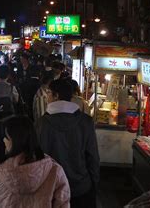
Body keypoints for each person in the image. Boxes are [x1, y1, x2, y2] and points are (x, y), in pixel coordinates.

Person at [36, 79, 100, 208]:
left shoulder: (41, 123)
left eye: (48, 93)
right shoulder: (86, 122)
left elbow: (38, 157)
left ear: (56, 95)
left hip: (52, 188)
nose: (46, 97)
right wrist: (94, 184)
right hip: (81, 187)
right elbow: (93, 156)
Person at [0, 116, 70, 207]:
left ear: (15, 140)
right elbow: (62, 203)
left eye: (6, 137)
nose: (4, 140)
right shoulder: (55, 170)